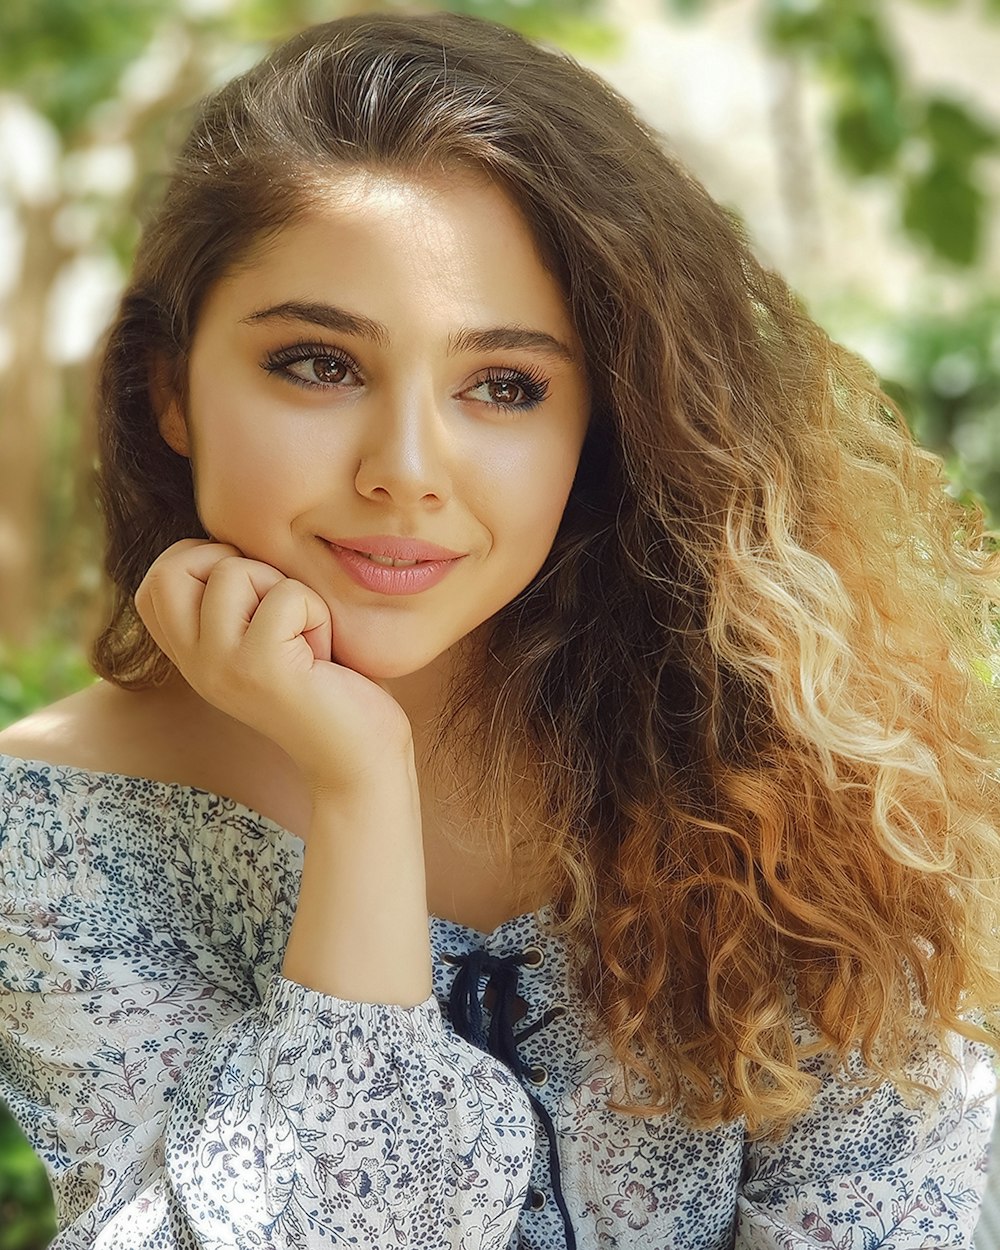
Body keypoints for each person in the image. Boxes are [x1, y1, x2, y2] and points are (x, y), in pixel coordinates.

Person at [0, 9, 997, 1248]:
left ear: (604, 421)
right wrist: (361, 789)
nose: (407, 470)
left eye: (504, 386)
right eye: (318, 363)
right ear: (170, 391)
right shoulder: (49, 822)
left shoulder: (779, 755)